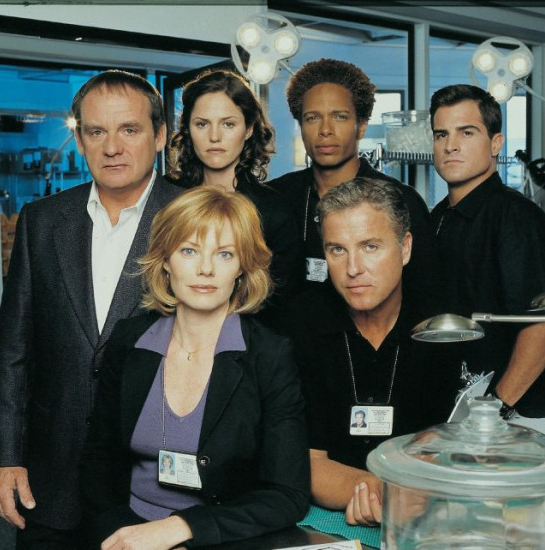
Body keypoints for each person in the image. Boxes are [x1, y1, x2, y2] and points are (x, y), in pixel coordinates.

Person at [0, 70, 183, 549]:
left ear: (159, 136)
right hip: (50, 480)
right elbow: (13, 349)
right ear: (79, 140)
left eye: (129, 129)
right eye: (96, 131)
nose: (112, 147)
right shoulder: (42, 221)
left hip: (153, 485)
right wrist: (4, 455)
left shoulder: (192, 217)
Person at [79, 186, 310, 549]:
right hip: (127, 534)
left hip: (219, 539)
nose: (205, 269)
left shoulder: (269, 355)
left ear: (242, 266)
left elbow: (287, 494)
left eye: (224, 254)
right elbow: (98, 462)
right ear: (165, 259)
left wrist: (181, 530)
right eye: (189, 250)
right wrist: (125, 535)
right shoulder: (129, 341)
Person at [278, 178, 460, 527]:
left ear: (405, 248)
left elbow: (441, 450)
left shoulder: (439, 327)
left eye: (370, 247)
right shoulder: (296, 327)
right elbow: (305, 464)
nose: (353, 269)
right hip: (324, 518)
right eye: (337, 250)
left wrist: (401, 494)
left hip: (422, 512)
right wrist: (381, 492)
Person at [429, 83, 545, 417]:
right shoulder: (437, 218)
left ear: (496, 143)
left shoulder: (516, 217)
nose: (450, 145)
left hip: (503, 417)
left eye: (467, 132)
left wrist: (496, 408)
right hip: (452, 411)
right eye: (441, 134)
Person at [269, 58, 439, 313]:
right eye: (312, 118)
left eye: (340, 117)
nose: (325, 130)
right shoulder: (275, 198)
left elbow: (426, 297)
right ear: (301, 127)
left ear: (361, 127)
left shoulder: (402, 200)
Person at [168, 69, 302, 307]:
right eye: (202, 124)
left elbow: (282, 303)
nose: (214, 136)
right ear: (188, 128)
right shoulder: (165, 197)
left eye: (228, 124)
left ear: (249, 129)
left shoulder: (275, 212)